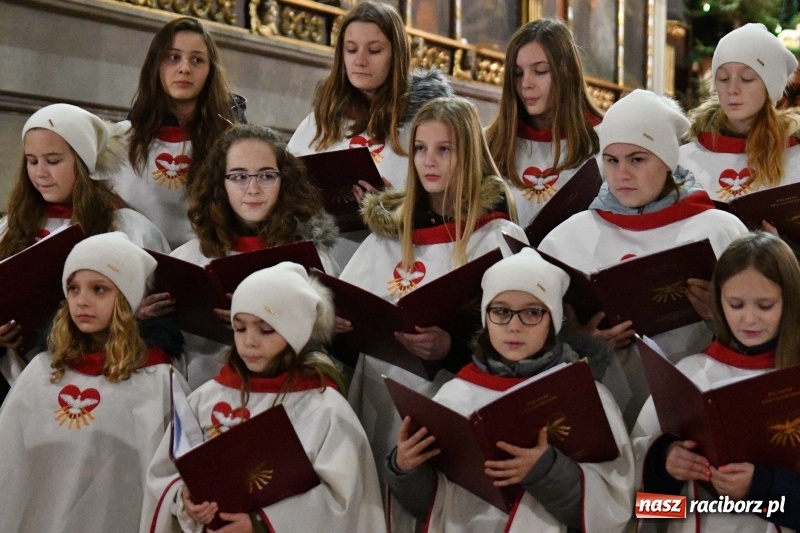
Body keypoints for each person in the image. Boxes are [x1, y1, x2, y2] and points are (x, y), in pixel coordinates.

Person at [339, 95, 529, 502]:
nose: (429, 161)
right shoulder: (388, 235)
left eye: (445, 150)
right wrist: (336, 325)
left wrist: (450, 347)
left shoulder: (495, 237)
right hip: (375, 397)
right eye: (421, 149)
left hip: (450, 401)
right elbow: (347, 301)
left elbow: (523, 340)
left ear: (470, 156)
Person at [538, 89, 748, 428]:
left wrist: (724, 319)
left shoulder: (720, 230)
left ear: (667, 160)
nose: (622, 174)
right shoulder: (566, 239)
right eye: (612, 160)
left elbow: (772, 332)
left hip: (695, 411)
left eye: (637, 159)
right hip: (598, 414)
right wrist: (580, 340)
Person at [386, 248, 634, 532]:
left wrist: (547, 472)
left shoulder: (585, 395)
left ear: (553, 321)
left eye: (532, 312)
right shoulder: (452, 396)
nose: (514, 326)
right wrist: (405, 469)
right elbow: (430, 506)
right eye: (501, 311)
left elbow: (616, 504)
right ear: (485, 317)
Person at [143, 263, 386, 532]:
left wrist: (260, 524)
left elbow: (347, 504)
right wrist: (184, 498)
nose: (250, 341)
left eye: (265, 330)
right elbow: (165, 474)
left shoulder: (325, 408)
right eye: (240, 328)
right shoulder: (205, 397)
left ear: (296, 333)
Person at [0, 232, 183, 533]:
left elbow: (160, 480)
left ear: (128, 299)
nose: (82, 301)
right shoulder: (43, 370)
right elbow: (9, 464)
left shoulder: (156, 378)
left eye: (99, 289)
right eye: (73, 288)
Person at [633, 232, 800, 532]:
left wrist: (763, 486)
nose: (749, 319)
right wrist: (665, 465)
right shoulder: (687, 375)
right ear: (717, 302)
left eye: (765, 305)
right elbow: (643, 506)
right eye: (735, 304)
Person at [0, 103, 169, 388]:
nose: (40, 172)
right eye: (32, 160)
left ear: (83, 161)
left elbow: (162, 308)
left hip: (105, 377)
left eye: (53, 161)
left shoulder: (127, 227)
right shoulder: (8, 228)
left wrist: (135, 315)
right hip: (15, 381)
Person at [166, 123, 340, 389]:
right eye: (239, 176)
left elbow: (328, 348)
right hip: (205, 392)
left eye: (267, 176)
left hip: (287, 397)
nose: (253, 189)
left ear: (286, 181)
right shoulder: (189, 258)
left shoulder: (311, 260)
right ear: (219, 184)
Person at [288, 1, 452, 264]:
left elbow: (451, 204)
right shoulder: (320, 122)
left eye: (374, 50)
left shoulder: (424, 124)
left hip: (397, 259)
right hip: (324, 260)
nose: (360, 60)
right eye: (351, 49)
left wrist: (392, 207)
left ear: (396, 55)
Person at [110, 17, 245, 249]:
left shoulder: (232, 142)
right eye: (173, 57)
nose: (185, 68)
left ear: (210, 70)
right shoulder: (119, 140)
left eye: (197, 60)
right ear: (156, 65)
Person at [486, 18, 603, 229]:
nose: (526, 84)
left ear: (566, 73)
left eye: (540, 71)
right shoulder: (489, 144)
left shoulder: (604, 141)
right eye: (517, 74)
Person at [680, 23, 800, 213]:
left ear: (770, 87)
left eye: (747, 78)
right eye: (723, 78)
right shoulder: (685, 158)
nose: (732, 89)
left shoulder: (795, 156)